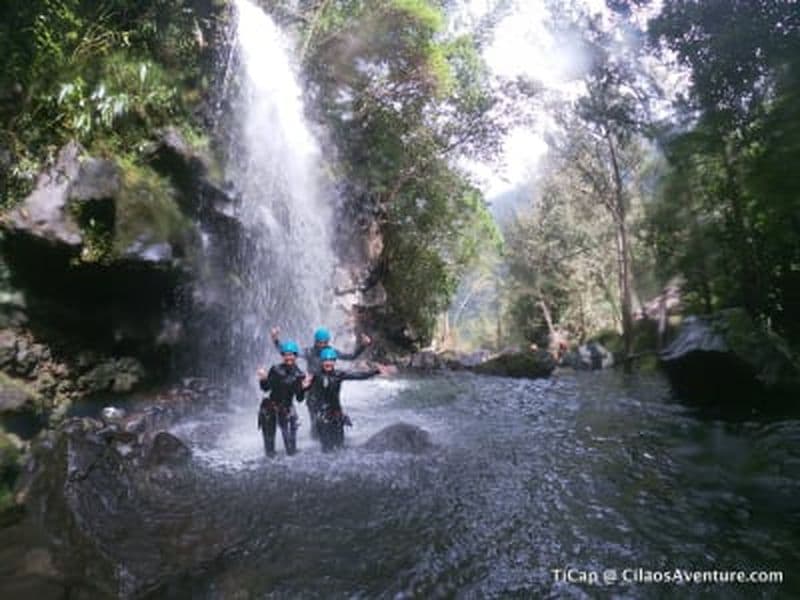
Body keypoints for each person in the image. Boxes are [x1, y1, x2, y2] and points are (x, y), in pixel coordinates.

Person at [270, 326, 372, 439]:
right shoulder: (309, 352)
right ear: (315, 341)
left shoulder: (331, 352)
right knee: (315, 418)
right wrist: (275, 339)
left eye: (325, 342)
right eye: (320, 342)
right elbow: (288, 352)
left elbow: (351, 357)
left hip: (328, 389)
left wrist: (363, 345)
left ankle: (335, 438)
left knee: (333, 413)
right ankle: (315, 440)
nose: (322, 345)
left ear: (328, 342)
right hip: (313, 391)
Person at [303, 347, 392, 452]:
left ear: (335, 362)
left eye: (331, 360)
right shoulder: (316, 376)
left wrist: (376, 371)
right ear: (322, 362)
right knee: (327, 449)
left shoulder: (338, 375)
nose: (328, 363)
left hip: (337, 415)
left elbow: (358, 376)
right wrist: (304, 386)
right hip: (323, 417)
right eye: (326, 361)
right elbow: (300, 386)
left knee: (340, 447)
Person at [257, 340, 306, 457]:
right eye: (285, 355)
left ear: (296, 356)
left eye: (291, 354)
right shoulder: (275, 369)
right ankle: (269, 464)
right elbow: (266, 388)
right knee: (269, 447)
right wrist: (263, 379)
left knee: (291, 450)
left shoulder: (300, 375)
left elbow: (299, 399)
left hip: (287, 409)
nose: (288, 357)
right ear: (282, 356)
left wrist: (304, 388)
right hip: (270, 408)